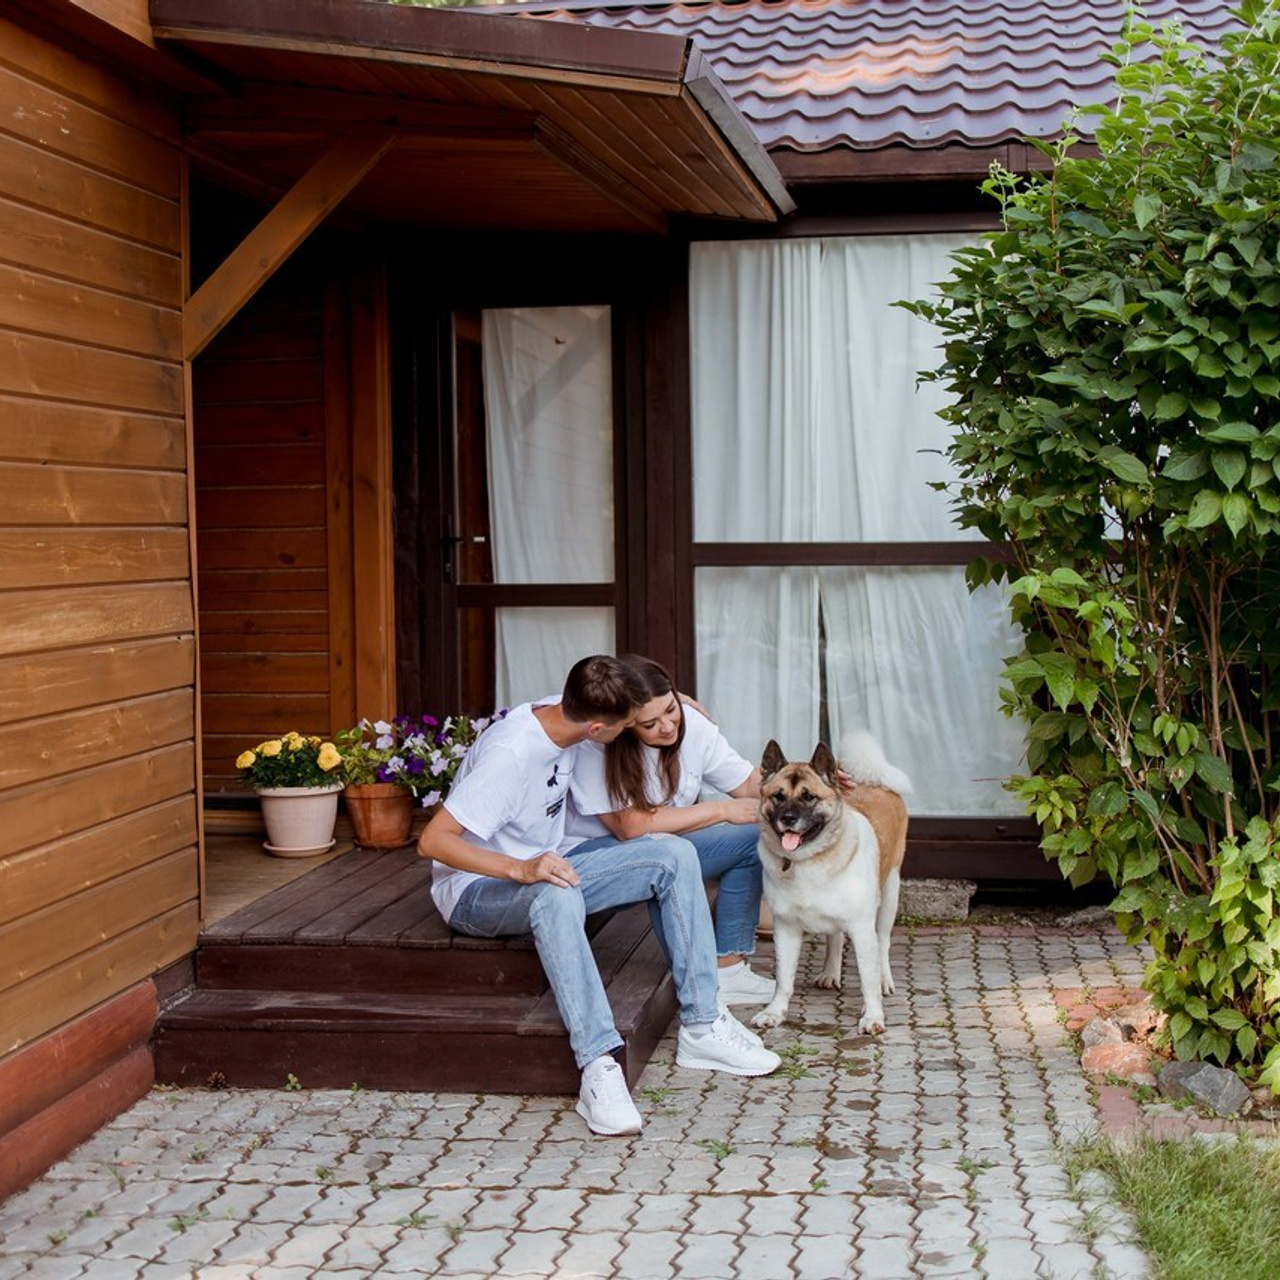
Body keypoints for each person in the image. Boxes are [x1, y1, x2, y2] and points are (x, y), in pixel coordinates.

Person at [418, 654, 779, 1138]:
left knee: (670, 855)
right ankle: (598, 1064)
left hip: (549, 866)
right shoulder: (512, 755)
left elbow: (601, 680)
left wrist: (680, 704)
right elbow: (433, 841)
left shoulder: (564, 714)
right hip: (478, 891)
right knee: (556, 893)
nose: (640, 730)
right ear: (597, 729)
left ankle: (702, 1025)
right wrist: (520, 868)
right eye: (633, 723)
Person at [569, 654, 774, 1007]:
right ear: (625, 723)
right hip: (588, 859)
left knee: (751, 839)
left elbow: (747, 784)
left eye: (671, 709)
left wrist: (814, 783)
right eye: (650, 723)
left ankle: (728, 970)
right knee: (668, 855)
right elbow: (630, 827)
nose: (667, 726)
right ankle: (696, 985)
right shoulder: (597, 746)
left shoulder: (691, 723)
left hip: (665, 847)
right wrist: (721, 810)